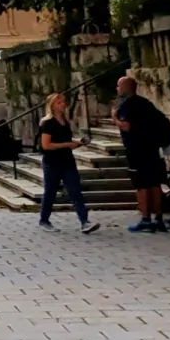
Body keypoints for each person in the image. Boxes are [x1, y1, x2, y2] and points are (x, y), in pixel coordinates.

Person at [36, 93, 100, 234]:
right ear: (52, 105)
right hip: (52, 162)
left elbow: (66, 141)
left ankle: (84, 221)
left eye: (63, 102)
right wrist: (66, 144)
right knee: (50, 192)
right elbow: (46, 145)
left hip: (67, 161)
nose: (62, 104)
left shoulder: (65, 121)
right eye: (59, 102)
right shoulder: (48, 123)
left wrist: (77, 143)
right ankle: (44, 219)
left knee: (75, 191)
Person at [114, 76, 169, 233]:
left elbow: (126, 126)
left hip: (137, 150)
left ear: (125, 88)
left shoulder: (127, 106)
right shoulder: (146, 103)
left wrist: (115, 118)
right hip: (151, 148)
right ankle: (158, 218)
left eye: (118, 86)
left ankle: (145, 218)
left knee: (141, 185)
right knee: (154, 183)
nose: (117, 89)